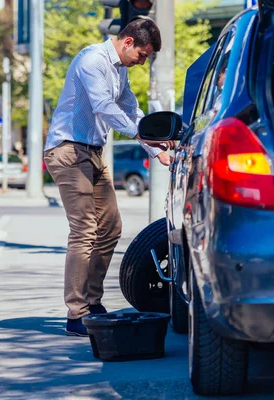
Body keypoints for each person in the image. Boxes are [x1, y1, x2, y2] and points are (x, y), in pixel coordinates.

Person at [43, 17, 174, 337]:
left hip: (94, 153)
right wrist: (143, 135)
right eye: (142, 55)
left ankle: (92, 302)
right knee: (85, 228)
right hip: (67, 152)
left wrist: (156, 145)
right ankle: (76, 313)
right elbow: (103, 107)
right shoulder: (92, 61)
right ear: (128, 42)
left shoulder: (120, 71)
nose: (142, 62)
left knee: (111, 227)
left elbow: (132, 112)